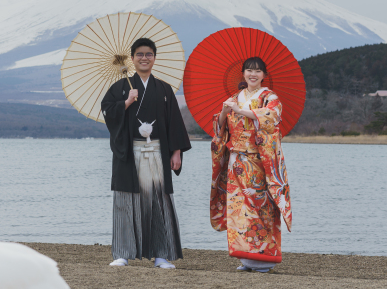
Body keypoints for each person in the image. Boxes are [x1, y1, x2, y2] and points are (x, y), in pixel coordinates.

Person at [101, 37, 192, 269]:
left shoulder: (163, 89)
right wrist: (126, 103)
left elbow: (174, 123)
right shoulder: (120, 87)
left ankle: (162, 254)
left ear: (154, 58)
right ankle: (122, 253)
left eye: (148, 54)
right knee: (125, 202)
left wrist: (176, 152)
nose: (144, 58)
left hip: (157, 152)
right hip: (129, 153)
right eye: (139, 54)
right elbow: (107, 112)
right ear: (131, 59)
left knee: (159, 201)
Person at [210, 57, 292, 272]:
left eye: (257, 71)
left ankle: (264, 259)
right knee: (238, 210)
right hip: (236, 160)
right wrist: (226, 113)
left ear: (264, 75)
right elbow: (220, 128)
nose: (252, 74)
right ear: (243, 74)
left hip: (258, 161)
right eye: (248, 70)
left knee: (260, 207)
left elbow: (270, 118)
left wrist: (240, 111)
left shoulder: (269, 97)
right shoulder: (235, 97)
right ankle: (246, 259)